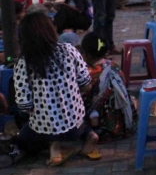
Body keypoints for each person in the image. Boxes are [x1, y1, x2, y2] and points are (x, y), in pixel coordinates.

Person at [13, 13, 100, 166]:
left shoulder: (24, 62)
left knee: (24, 138)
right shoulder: (69, 50)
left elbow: (24, 105)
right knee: (76, 118)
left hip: (43, 128)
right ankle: (89, 135)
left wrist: (43, 108)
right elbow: (86, 83)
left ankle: (54, 146)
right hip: (75, 126)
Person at [81, 32, 137, 144]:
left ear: (88, 55)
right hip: (125, 126)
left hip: (102, 128)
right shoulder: (114, 67)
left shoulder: (88, 74)